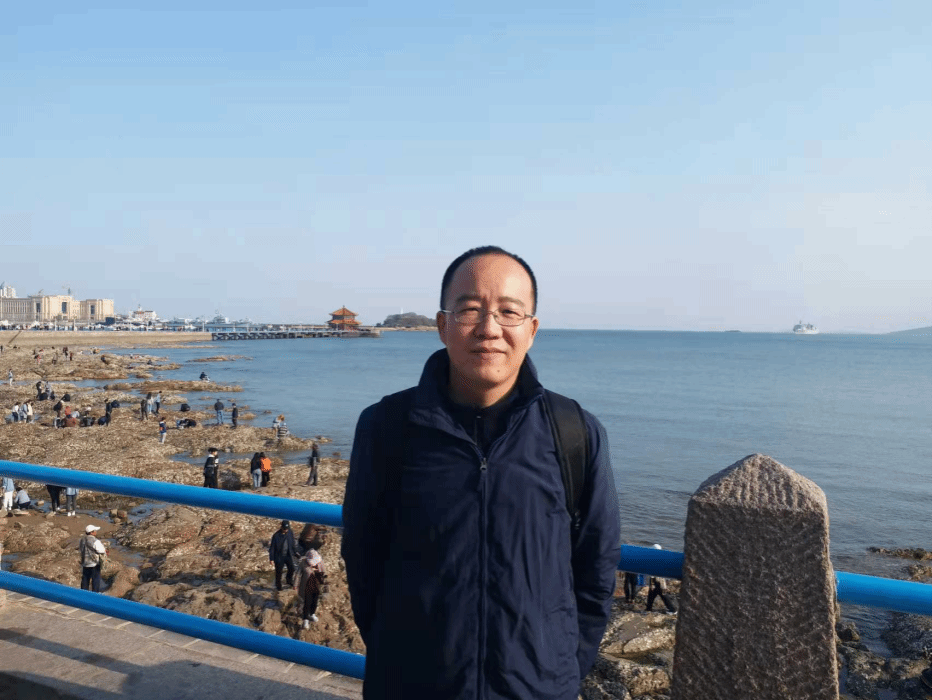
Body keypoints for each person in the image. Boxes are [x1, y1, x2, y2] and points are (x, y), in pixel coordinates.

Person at [342, 246, 621, 700]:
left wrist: (565, 665)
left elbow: (597, 564)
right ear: (442, 325)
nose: (489, 328)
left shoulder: (574, 431)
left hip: (537, 686)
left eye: (509, 312)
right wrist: (398, 654)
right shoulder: (387, 426)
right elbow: (363, 556)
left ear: (531, 330)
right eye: (469, 309)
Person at [295, 548, 326, 629]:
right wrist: (295, 585)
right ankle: (305, 619)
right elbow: (298, 575)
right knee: (307, 603)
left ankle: (312, 614)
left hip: (316, 586)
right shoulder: (303, 563)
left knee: (314, 602)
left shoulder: (320, 562)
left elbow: (323, 573)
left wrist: (318, 572)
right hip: (306, 586)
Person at [645, 544, 677, 614]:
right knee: (654, 595)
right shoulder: (661, 558)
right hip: (660, 580)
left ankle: (672, 610)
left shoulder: (654, 559)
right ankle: (648, 609)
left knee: (660, 595)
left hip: (656, 580)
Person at [269, 520, 297, 591]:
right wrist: (271, 559)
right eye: (284, 529)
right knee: (279, 572)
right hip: (279, 556)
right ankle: (278, 587)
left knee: (292, 568)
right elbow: (272, 548)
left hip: (288, 554)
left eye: (287, 529)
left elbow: (292, 543)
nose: (286, 530)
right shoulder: (276, 536)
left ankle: (288, 580)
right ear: (281, 527)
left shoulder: (290, 532)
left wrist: (295, 552)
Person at [79, 524, 107, 592]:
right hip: (94, 563)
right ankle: (95, 594)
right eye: (95, 531)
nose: (96, 532)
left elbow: (81, 549)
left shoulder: (82, 540)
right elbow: (101, 550)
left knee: (85, 579)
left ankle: (83, 594)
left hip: (85, 563)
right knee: (96, 580)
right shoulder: (95, 540)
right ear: (92, 532)